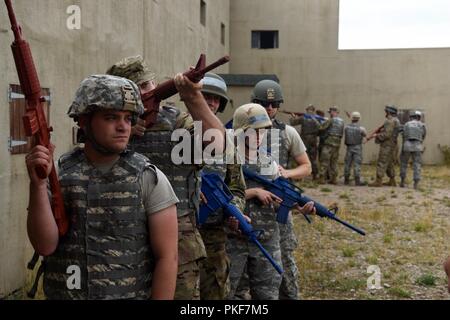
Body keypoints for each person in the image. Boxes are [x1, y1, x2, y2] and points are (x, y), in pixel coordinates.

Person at [26, 75, 179, 299]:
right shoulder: (58, 174)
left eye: (128, 119)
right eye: (111, 117)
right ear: (84, 121)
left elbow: (168, 258)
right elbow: (45, 246)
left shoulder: (148, 178)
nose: (123, 127)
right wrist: (38, 185)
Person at [106, 56, 225, 300]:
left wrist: (193, 98)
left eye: (148, 84)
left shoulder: (177, 121)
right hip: (121, 241)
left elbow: (217, 145)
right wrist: (122, 134)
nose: (146, 92)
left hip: (178, 242)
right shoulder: (109, 127)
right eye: (136, 88)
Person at [226, 103, 315, 300]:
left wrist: (297, 207)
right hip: (233, 240)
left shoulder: (268, 161)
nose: (259, 136)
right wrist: (253, 192)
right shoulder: (225, 159)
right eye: (253, 131)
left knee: (267, 293)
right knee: (230, 293)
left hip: (266, 239)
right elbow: (219, 197)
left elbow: (277, 198)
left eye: (263, 131)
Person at [249, 80, 311, 300]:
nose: (270, 108)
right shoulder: (239, 129)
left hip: (278, 208)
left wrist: (287, 174)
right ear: (255, 102)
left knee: (284, 260)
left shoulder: (288, 133)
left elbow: (306, 167)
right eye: (265, 103)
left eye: (274, 103)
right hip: (248, 205)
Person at [198, 73, 247, 300]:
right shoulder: (173, 133)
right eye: (206, 96)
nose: (211, 102)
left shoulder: (228, 144)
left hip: (213, 239)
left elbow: (237, 188)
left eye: (217, 99)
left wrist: (234, 211)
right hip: (173, 236)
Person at [369, 105, 401, 187]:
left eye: (386, 111)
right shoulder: (396, 120)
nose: (385, 113)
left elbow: (387, 134)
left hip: (387, 145)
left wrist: (376, 135)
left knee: (382, 162)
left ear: (389, 112)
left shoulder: (389, 121)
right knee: (389, 163)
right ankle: (392, 180)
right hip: (393, 144)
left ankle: (378, 181)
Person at [290, 104, 320, 180]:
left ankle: (300, 177)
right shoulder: (317, 119)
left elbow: (293, 123)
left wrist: (293, 117)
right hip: (313, 140)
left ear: (307, 110)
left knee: (301, 158)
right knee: (313, 158)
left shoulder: (303, 118)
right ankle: (315, 175)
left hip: (304, 140)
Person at [400, 111, 426, 189]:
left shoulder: (406, 124)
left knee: (404, 163)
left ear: (411, 117)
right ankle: (416, 183)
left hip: (407, 145)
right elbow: (423, 135)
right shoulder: (422, 125)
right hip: (417, 145)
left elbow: (403, 135)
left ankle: (402, 181)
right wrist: (419, 142)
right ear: (419, 117)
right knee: (417, 164)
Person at [317, 106, 344, 185]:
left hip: (329, 142)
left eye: (330, 112)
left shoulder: (331, 120)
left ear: (333, 112)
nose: (330, 114)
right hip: (337, 143)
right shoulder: (342, 121)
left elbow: (321, 128)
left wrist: (318, 121)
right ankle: (334, 179)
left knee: (324, 160)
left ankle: (321, 178)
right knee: (334, 161)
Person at [343, 112, 367, 186]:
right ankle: (357, 180)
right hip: (357, 147)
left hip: (349, 147)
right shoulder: (361, 128)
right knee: (357, 164)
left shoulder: (346, 127)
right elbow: (365, 134)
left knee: (347, 164)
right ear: (359, 118)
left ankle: (346, 180)